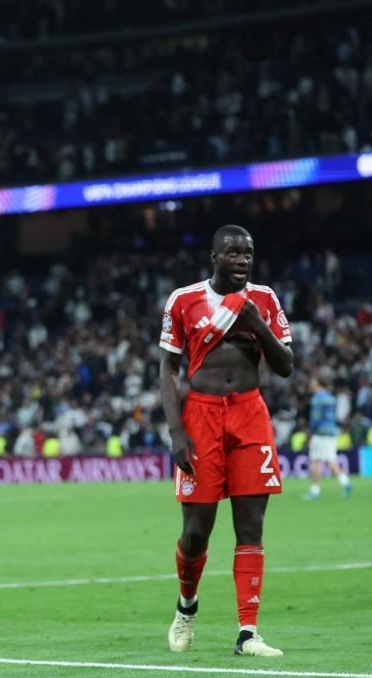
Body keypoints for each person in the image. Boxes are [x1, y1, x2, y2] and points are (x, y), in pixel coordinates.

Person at [159, 225, 294, 658]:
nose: (242, 259)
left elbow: (286, 365)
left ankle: (247, 632)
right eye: (233, 252)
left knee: (250, 526)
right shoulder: (184, 300)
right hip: (200, 416)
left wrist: (258, 325)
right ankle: (186, 607)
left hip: (249, 415)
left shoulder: (265, 300)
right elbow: (168, 368)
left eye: (248, 253)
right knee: (196, 533)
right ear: (214, 256)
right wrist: (176, 430)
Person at [304, 373, 354, 500]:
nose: (311, 384)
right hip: (331, 432)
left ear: (318, 383)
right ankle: (345, 482)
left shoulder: (317, 398)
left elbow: (316, 418)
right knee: (329, 459)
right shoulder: (331, 398)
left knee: (315, 460)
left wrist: (311, 431)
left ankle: (314, 491)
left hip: (320, 433)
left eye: (313, 381)